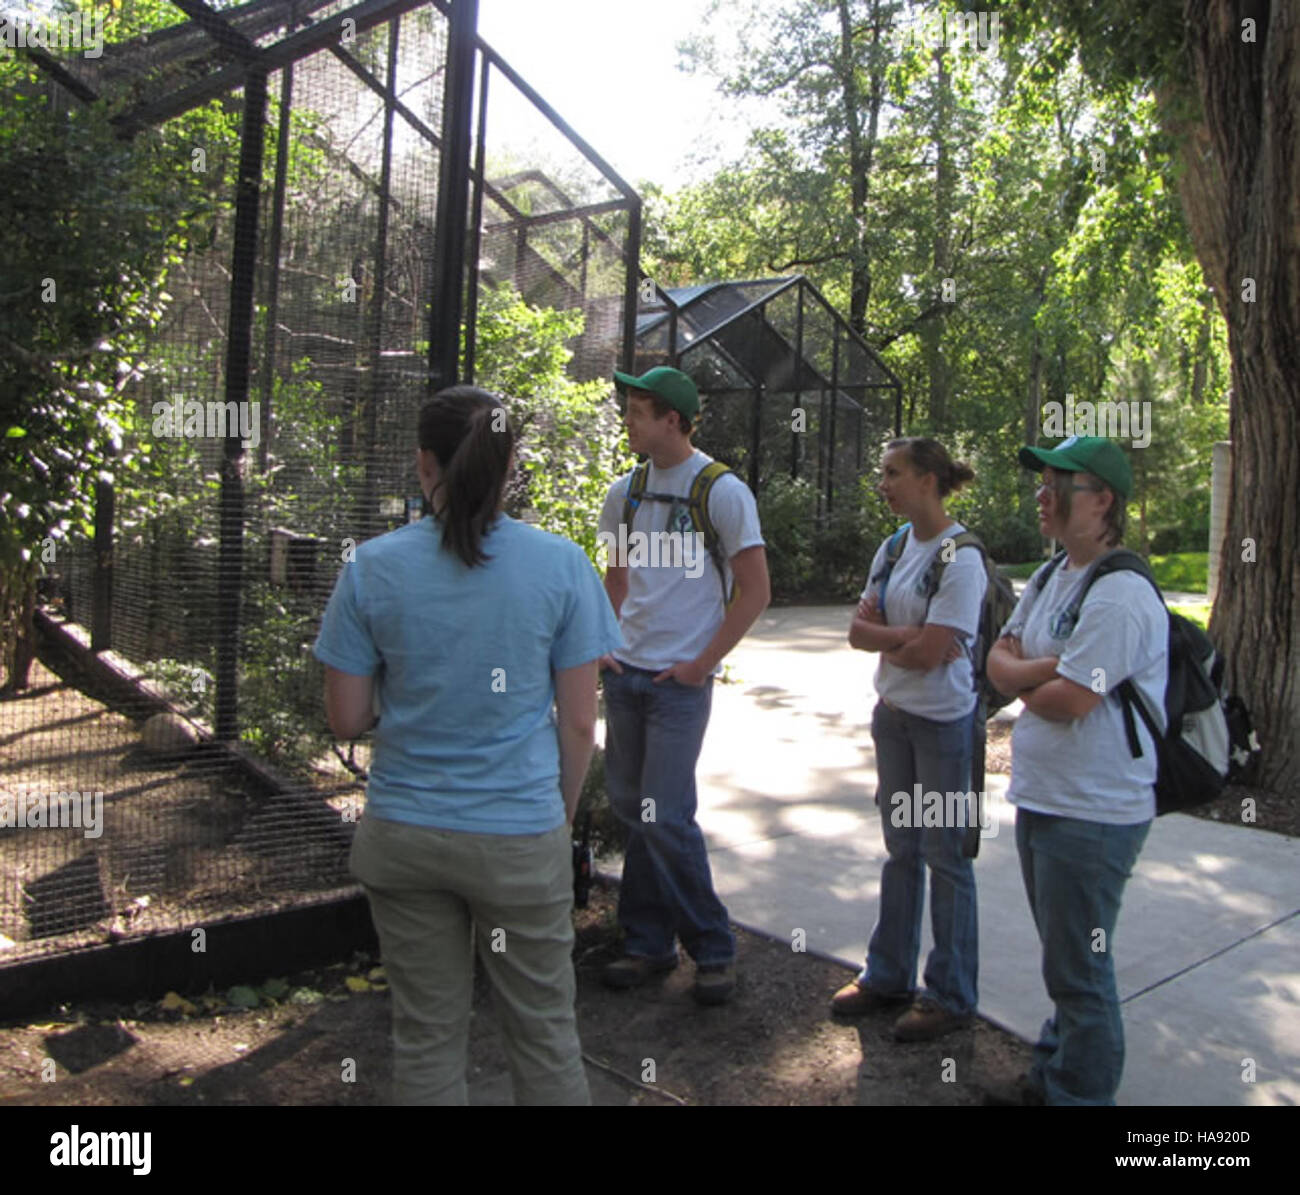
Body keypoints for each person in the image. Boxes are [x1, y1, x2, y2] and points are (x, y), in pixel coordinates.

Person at [313, 386, 622, 1106]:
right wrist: (557, 821)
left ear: (423, 464)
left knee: (424, 1037)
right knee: (546, 1037)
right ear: (511, 464)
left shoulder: (371, 567)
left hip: (405, 836)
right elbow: (579, 725)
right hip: (519, 837)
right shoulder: (562, 565)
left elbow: (346, 718)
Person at [984, 435, 1165, 1106]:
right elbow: (997, 661)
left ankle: (1078, 1095)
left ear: (1103, 500)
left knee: (1081, 968)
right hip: (1048, 797)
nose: (1043, 494)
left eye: (1059, 483)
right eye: (1042, 481)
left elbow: (1068, 700)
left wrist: (1030, 673)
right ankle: (1053, 1074)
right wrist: (1042, 670)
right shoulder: (1059, 573)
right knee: (1066, 960)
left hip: (1093, 812)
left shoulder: (1120, 594)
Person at [596, 365, 770, 1006]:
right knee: (634, 811)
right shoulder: (626, 493)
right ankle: (647, 944)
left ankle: (714, 947)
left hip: (679, 685)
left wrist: (702, 665)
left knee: (664, 814)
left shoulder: (721, 491)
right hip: (627, 676)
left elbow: (756, 592)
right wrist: (602, 645)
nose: (628, 421)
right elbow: (616, 580)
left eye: (639, 411)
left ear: (672, 418)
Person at [831, 437, 986, 1041]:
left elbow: (929, 655)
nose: (883, 482)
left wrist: (893, 636)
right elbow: (858, 633)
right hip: (892, 717)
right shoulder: (894, 547)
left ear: (927, 479)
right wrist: (909, 636)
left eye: (892, 472)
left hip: (944, 726)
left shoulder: (962, 556)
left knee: (947, 858)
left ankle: (949, 994)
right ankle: (888, 975)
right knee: (902, 849)